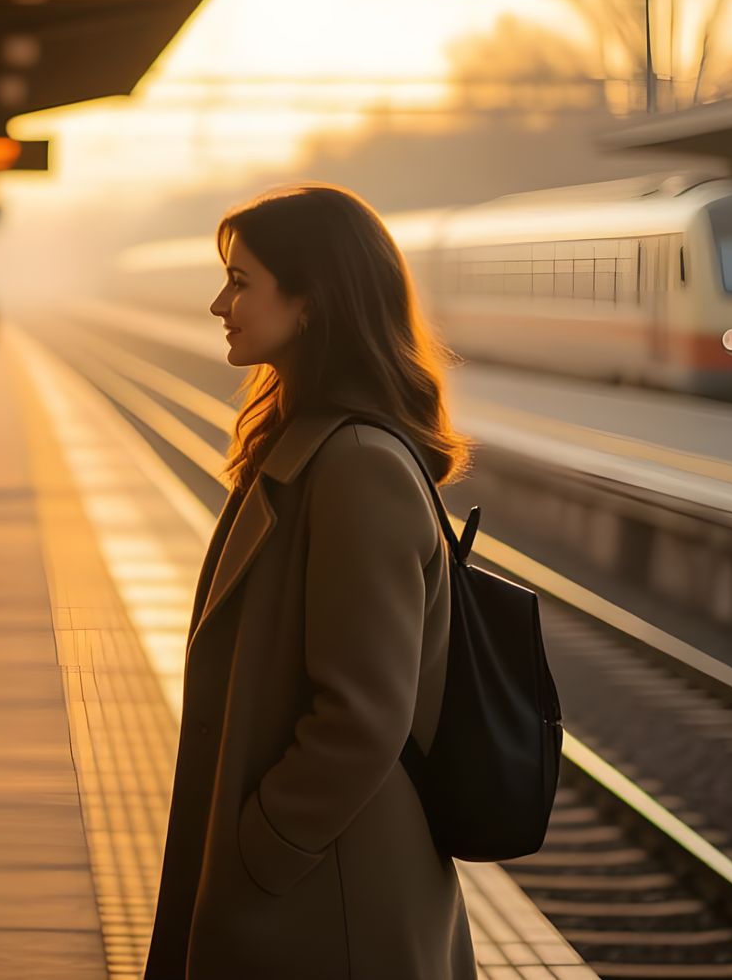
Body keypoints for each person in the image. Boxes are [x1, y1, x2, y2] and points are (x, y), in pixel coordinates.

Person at [145, 184, 477, 980]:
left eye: (240, 281)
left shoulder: (357, 465)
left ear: (311, 300)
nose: (219, 303)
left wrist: (261, 848)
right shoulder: (309, 445)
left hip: (331, 898)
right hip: (310, 884)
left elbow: (363, 713)